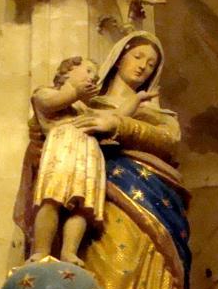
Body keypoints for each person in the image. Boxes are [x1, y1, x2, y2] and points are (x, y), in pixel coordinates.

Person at [72, 32, 190, 289]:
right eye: (137, 56)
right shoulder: (91, 103)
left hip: (160, 203)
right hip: (110, 198)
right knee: (112, 279)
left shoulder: (159, 112)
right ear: (120, 56)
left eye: (151, 64)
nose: (142, 66)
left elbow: (169, 140)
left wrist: (118, 126)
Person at [29, 56, 159, 265]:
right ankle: (41, 251)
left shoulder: (83, 109)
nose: (93, 79)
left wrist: (136, 99)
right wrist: (75, 91)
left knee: (83, 206)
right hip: (62, 149)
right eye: (88, 71)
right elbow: (52, 103)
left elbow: (115, 115)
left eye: (95, 77)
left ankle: (69, 252)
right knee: (51, 199)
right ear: (67, 71)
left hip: (88, 155)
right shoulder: (44, 93)